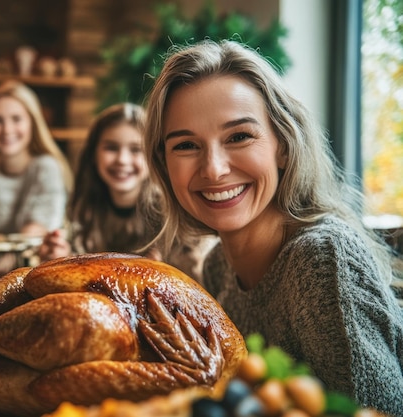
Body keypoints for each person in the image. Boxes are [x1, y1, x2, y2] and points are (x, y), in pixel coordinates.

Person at [143, 39, 403, 415]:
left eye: (239, 136)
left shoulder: (323, 258)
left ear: (283, 144)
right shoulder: (218, 265)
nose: (214, 169)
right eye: (185, 145)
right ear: (164, 164)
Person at [38, 102, 216, 281]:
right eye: (111, 148)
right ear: (93, 154)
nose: (122, 160)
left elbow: (197, 285)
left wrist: (162, 276)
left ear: (153, 157)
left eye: (136, 150)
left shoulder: (175, 216)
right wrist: (61, 261)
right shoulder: (84, 210)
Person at [0, 80, 74, 276]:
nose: (7, 129)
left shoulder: (46, 167)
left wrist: (4, 259)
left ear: (32, 123)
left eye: (16, 119)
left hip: (37, 271)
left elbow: (38, 228)